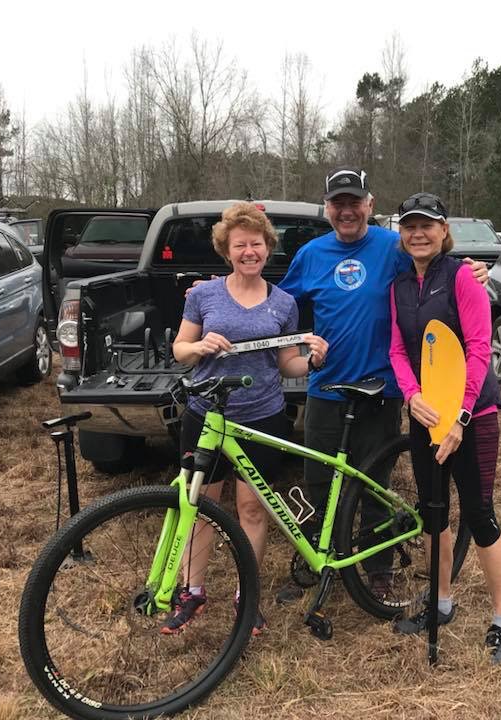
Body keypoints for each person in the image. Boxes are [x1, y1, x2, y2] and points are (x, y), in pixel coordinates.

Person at [275, 167, 490, 604]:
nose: (347, 210)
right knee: (320, 480)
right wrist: (220, 292)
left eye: (355, 202)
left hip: (381, 389)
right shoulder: (311, 254)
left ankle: (379, 569)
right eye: (338, 203)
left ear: (369, 205)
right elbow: (278, 304)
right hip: (326, 388)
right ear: (326, 208)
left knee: (374, 481)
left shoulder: (393, 246)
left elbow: (437, 267)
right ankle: (325, 558)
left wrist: (476, 271)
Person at [161, 202, 328, 635]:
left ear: (267, 247)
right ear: (226, 250)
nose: (249, 252)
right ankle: (193, 592)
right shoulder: (204, 295)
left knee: (252, 509)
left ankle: (247, 597)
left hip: (262, 416)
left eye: (256, 243)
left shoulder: (284, 303)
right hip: (206, 415)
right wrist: (199, 347)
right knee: (200, 506)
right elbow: (180, 349)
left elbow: (287, 364)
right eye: (240, 245)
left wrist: (312, 361)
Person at [388, 192, 501, 664]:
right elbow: (398, 350)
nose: (418, 234)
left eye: (427, 225)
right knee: (433, 512)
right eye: (410, 226)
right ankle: (440, 602)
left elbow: (479, 348)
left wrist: (461, 415)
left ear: (444, 231)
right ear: (402, 235)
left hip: (472, 417)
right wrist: (411, 395)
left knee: (479, 515)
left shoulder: (462, 277)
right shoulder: (399, 286)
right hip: (426, 415)